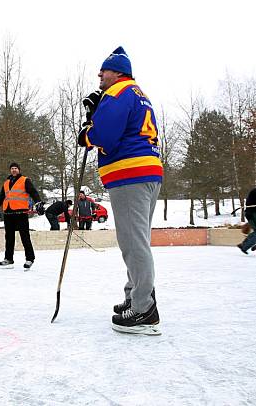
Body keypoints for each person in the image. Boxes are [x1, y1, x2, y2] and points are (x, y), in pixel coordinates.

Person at [78, 46, 163, 335]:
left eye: (104, 70)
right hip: (147, 172)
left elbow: (105, 136)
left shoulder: (117, 93)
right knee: (136, 239)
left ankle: (143, 309)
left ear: (117, 73)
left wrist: (87, 131)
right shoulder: (137, 94)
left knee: (133, 242)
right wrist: (98, 111)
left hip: (130, 174)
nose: (100, 75)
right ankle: (135, 295)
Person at [0, 162, 42, 270]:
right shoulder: (6, 182)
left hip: (21, 213)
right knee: (9, 237)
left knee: (25, 236)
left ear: (19, 170)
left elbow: (33, 192)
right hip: (8, 213)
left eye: (16, 168)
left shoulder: (25, 180)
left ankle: (30, 258)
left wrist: (38, 202)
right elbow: (1, 198)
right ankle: (8, 258)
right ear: (10, 170)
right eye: (12, 168)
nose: (14, 170)